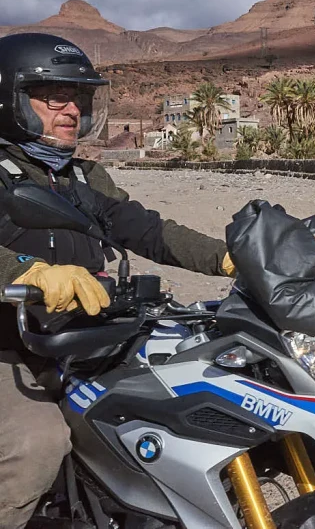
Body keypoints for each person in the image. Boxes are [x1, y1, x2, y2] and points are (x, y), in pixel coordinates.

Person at [0, 34, 235, 529]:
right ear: (10, 99)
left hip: (88, 336)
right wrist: (28, 273)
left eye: (79, 97)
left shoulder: (84, 178)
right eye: (53, 96)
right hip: (10, 347)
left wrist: (232, 258)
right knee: (34, 446)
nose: (71, 109)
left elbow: (144, 228)